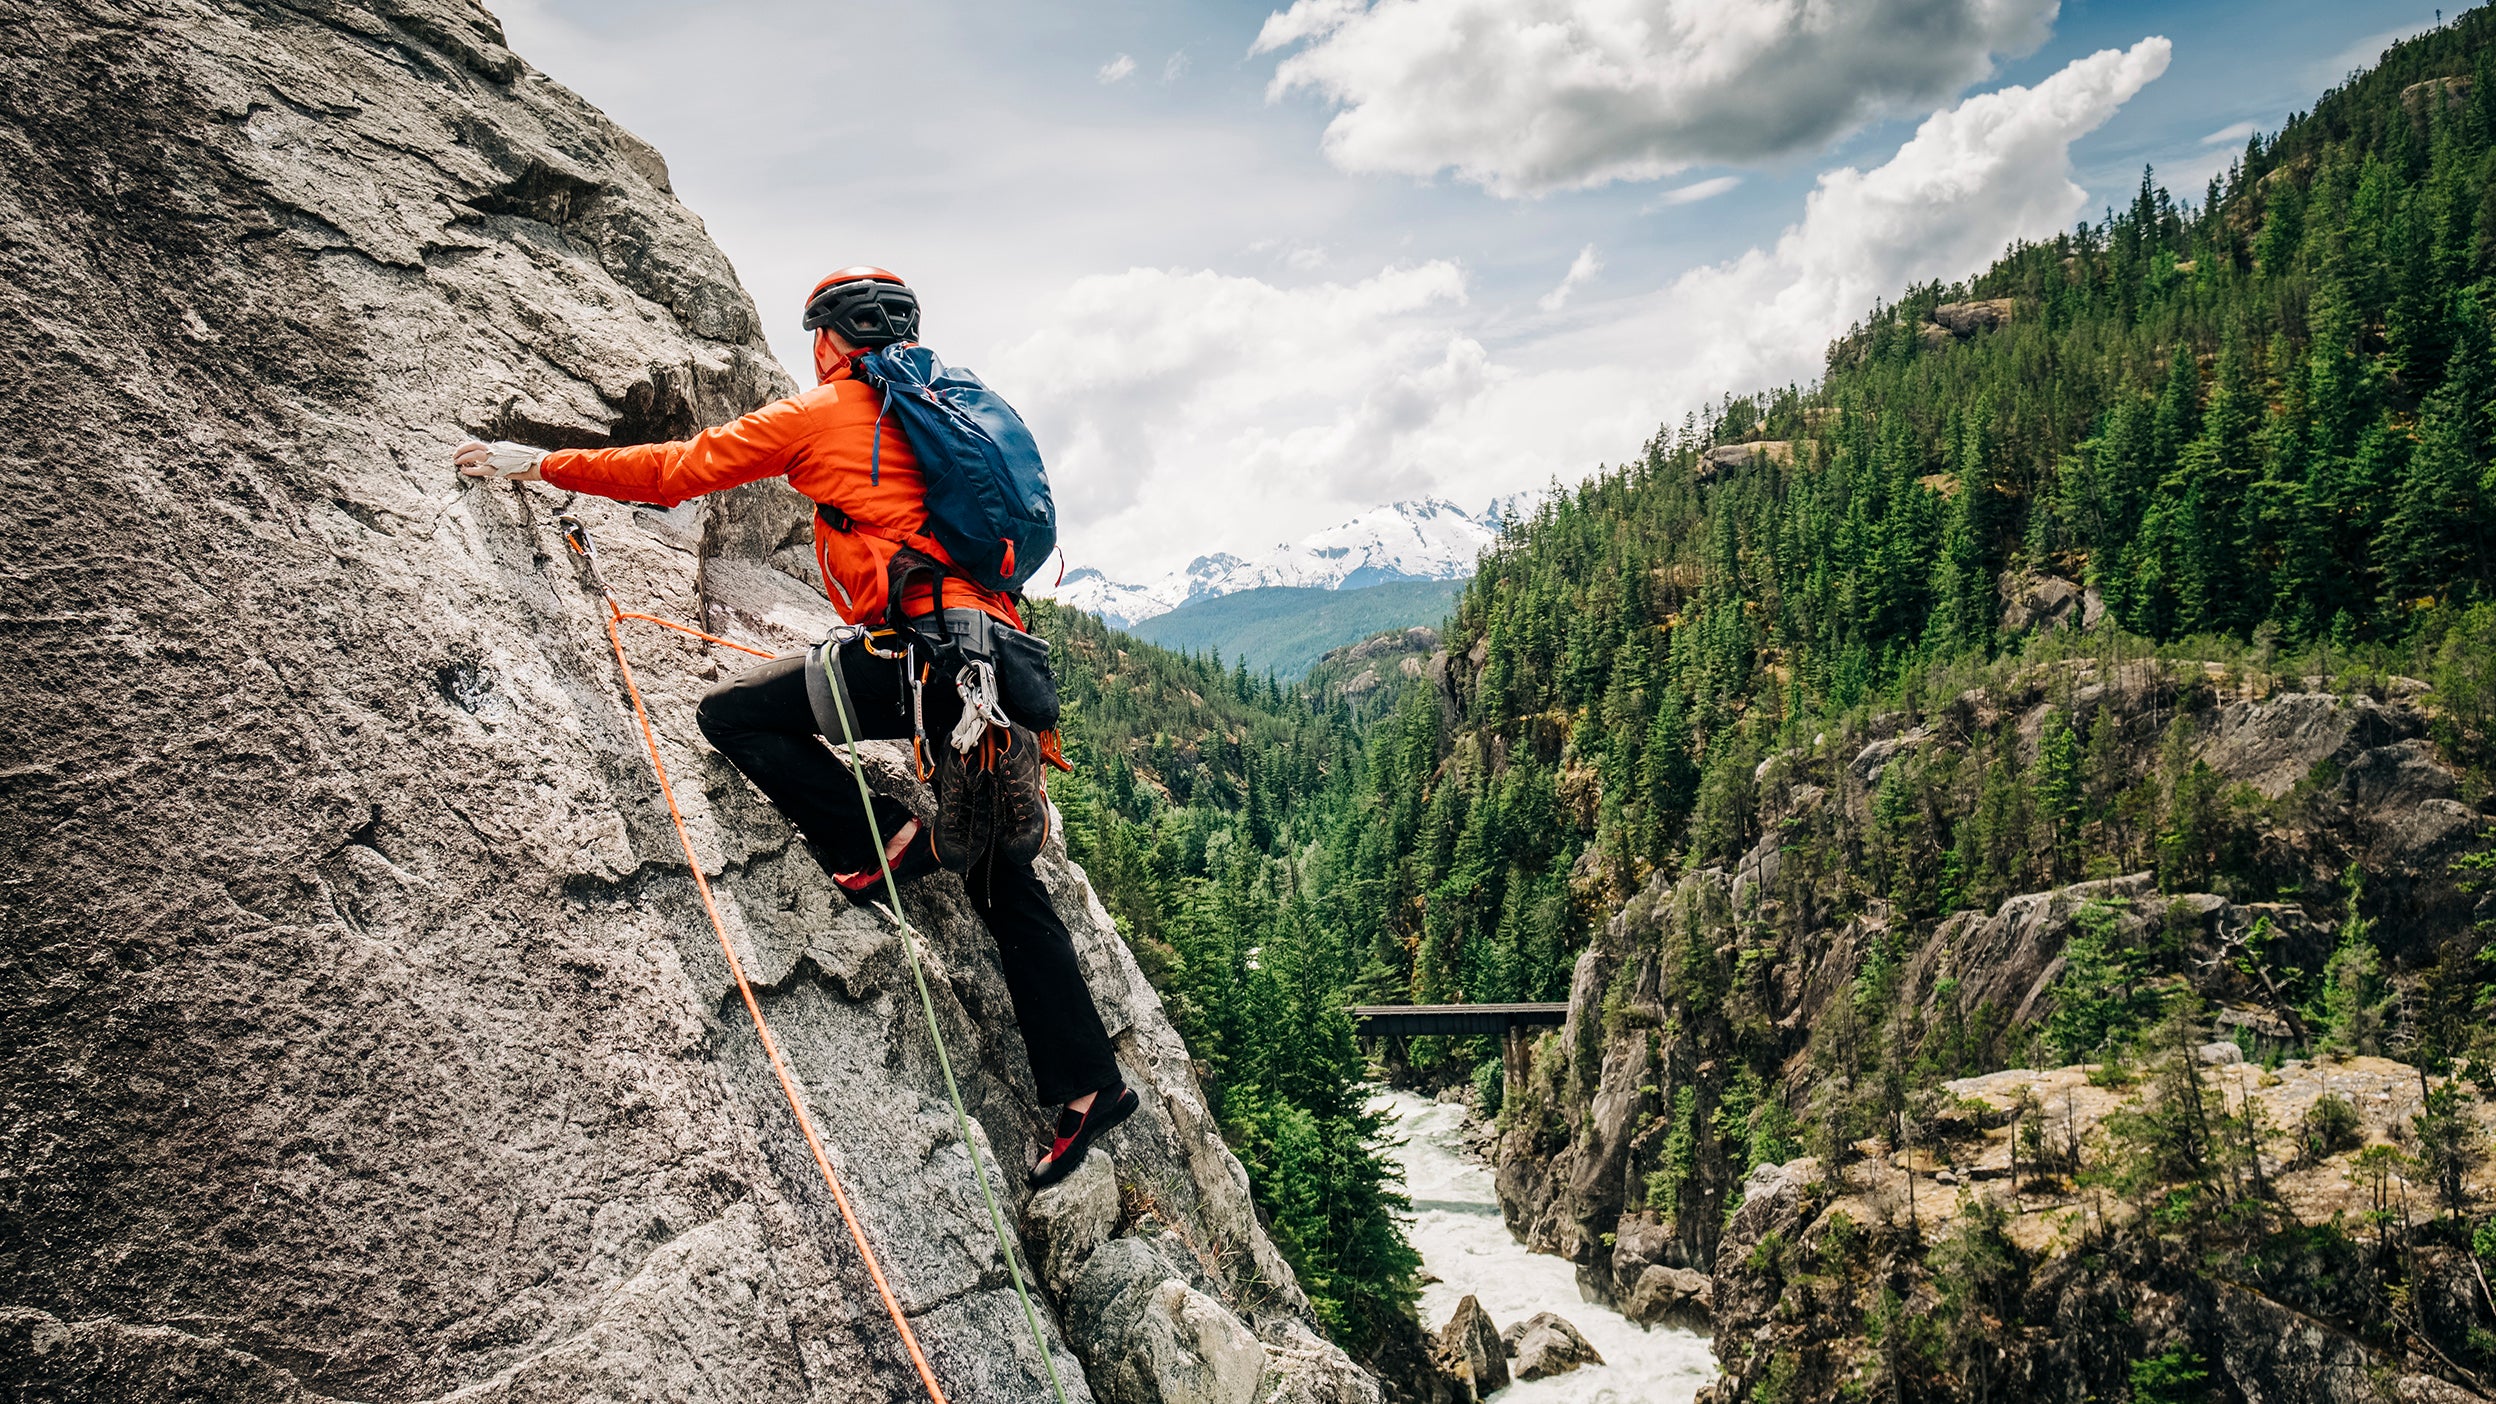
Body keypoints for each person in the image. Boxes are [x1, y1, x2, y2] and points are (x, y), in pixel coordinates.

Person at [454, 267, 1132, 1186]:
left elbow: (676, 472)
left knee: (736, 719)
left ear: (827, 340)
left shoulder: (820, 413)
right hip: (993, 661)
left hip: (921, 665)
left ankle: (897, 857)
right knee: (999, 872)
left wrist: (536, 463)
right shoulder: (954, 406)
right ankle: (1075, 1067)